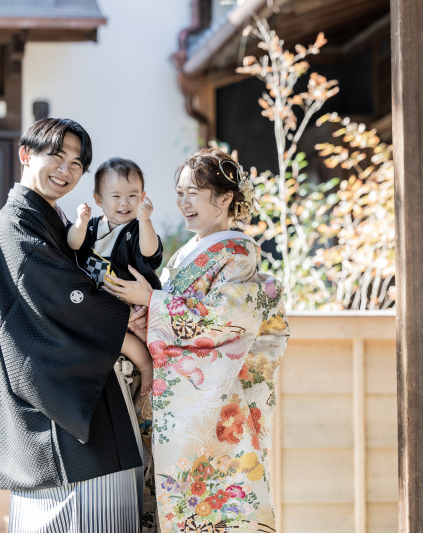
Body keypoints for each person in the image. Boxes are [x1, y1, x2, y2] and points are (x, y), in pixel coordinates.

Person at [104, 149, 290, 533]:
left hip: (213, 411)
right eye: (179, 192)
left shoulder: (237, 256)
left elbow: (227, 321)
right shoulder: (186, 255)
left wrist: (154, 302)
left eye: (194, 192)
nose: (183, 202)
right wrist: (146, 318)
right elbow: (172, 319)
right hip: (178, 407)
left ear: (224, 199)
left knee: (213, 507)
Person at [0, 118, 145, 532]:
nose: (66, 169)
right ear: (26, 154)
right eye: (57, 155)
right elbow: (61, 295)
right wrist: (130, 338)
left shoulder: (56, 221)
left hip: (83, 381)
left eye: (77, 163)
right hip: (57, 396)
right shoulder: (14, 223)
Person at [68, 157, 163, 396]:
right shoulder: (91, 227)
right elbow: (73, 245)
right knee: (117, 336)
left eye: (133, 195)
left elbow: (150, 252)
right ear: (98, 200)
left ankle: (146, 365)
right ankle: (144, 358)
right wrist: (80, 223)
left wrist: (146, 221)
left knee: (133, 335)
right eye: (116, 196)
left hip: (130, 298)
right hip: (103, 302)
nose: (125, 203)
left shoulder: (138, 228)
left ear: (143, 198)